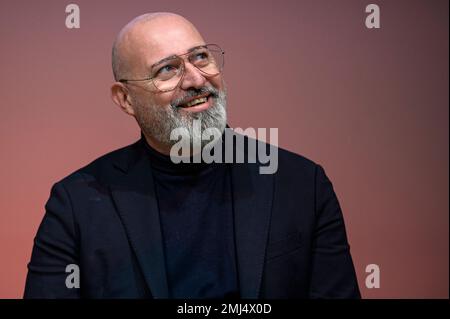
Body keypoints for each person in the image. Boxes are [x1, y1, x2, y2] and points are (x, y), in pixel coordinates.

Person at [24, 12, 360, 299]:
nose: (196, 79)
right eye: (167, 70)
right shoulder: (76, 204)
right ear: (125, 99)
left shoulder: (301, 184)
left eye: (200, 57)